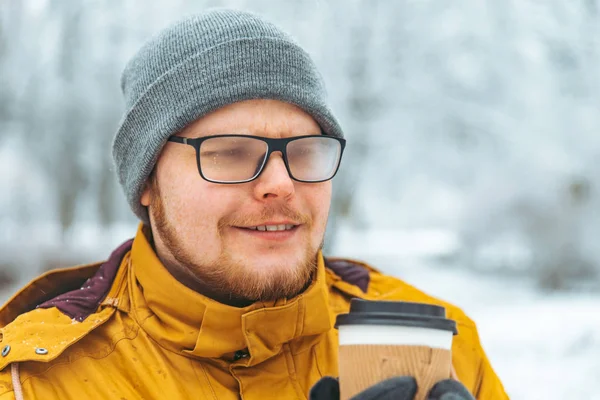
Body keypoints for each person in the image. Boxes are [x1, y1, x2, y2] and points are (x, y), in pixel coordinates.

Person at [0, 9, 508, 400]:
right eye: (231, 153)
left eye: (305, 151)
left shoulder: (436, 350)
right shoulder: (37, 382)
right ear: (148, 182)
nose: (280, 184)